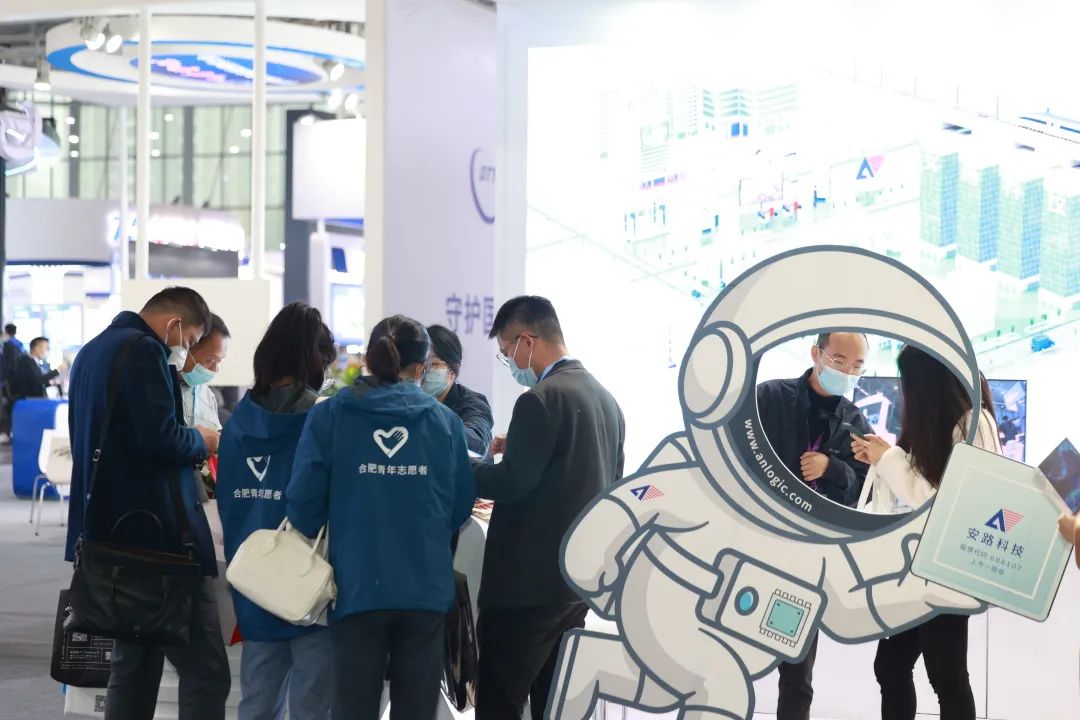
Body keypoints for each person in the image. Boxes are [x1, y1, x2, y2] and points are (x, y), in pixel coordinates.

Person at [287, 315, 475, 720]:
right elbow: (460, 504)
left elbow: (303, 504)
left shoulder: (330, 415)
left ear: (368, 360)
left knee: (353, 708)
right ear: (422, 367)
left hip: (356, 585)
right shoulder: (445, 423)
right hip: (425, 586)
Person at [65, 287, 230, 720]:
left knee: (134, 666)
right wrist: (202, 439)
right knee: (206, 670)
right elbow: (161, 439)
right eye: (190, 340)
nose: (186, 350)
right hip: (160, 540)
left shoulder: (92, 351)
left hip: (111, 533)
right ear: (174, 324)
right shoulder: (144, 351)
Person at [473, 296, 625, 720]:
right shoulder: (606, 399)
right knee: (554, 706)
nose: (510, 362)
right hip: (574, 586)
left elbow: (512, 483)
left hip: (525, 591)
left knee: (500, 702)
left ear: (527, 340)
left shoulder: (538, 399)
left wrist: (462, 467)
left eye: (507, 352)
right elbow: (610, 482)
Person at [851, 345, 1000, 720]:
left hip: (947, 568)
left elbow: (945, 502)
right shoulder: (946, 422)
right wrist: (886, 456)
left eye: (908, 383)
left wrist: (889, 459)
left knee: (946, 677)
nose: (904, 393)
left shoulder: (973, 424)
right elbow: (925, 481)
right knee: (892, 666)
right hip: (922, 566)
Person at [218, 302, 337, 720]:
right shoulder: (323, 419)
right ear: (316, 359)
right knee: (312, 706)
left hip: (254, 579)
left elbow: (229, 504)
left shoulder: (236, 423)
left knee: (257, 703)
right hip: (311, 582)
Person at [755, 331, 873, 720]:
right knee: (729, 654)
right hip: (753, 548)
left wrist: (832, 468)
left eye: (857, 366)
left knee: (796, 671)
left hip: (806, 565)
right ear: (815, 354)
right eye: (839, 361)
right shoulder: (769, 398)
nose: (847, 372)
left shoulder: (855, 422)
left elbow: (863, 493)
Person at [425, 324, 494, 458]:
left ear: (453, 371)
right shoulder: (410, 401)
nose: (424, 371)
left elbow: (477, 443)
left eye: (433, 364)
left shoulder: (474, 404)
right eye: (421, 363)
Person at [179, 313, 231, 433]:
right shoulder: (160, 389)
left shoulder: (207, 395)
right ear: (187, 348)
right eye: (210, 360)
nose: (214, 370)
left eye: (218, 361)